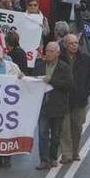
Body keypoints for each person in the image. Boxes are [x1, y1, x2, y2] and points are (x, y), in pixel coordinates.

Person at [33, 42, 74, 170]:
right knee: (42, 134)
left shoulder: (64, 67)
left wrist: (51, 80)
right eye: (47, 51)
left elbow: (69, 85)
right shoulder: (39, 66)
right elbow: (33, 80)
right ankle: (44, 160)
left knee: (55, 135)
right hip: (43, 106)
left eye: (51, 51)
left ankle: (53, 158)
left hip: (58, 107)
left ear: (57, 53)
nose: (48, 53)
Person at [59, 34, 90, 164]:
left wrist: (85, 93)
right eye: (71, 43)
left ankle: (75, 151)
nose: (74, 45)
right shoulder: (60, 59)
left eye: (76, 43)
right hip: (64, 100)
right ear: (65, 45)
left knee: (77, 127)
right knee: (64, 128)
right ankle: (66, 154)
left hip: (79, 101)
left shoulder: (85, 59)